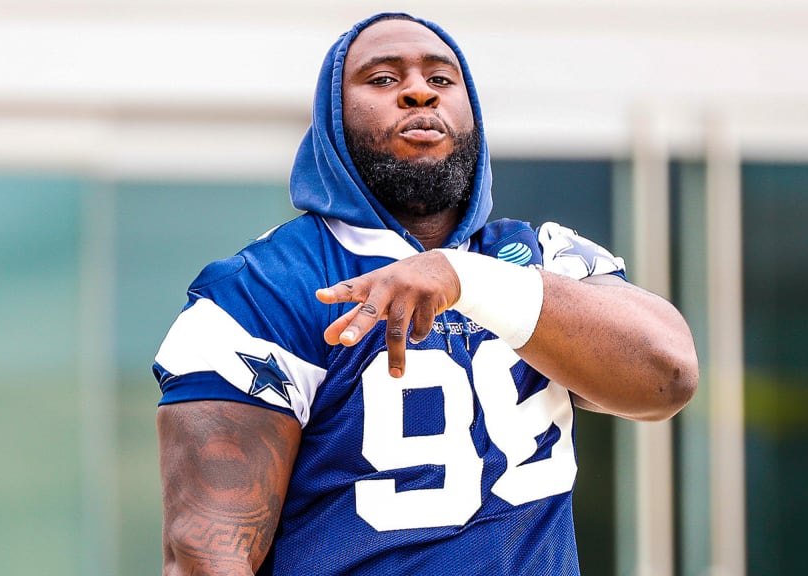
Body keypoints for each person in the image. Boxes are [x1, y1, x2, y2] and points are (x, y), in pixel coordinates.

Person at [153, 12, 698, 576]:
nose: (418, 91)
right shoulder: (261, 289)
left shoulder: (542, 258)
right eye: (383, 79)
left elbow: (667, 377)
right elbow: (206, 554)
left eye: (441, 79)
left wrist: (466, 279)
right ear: (332, 121)